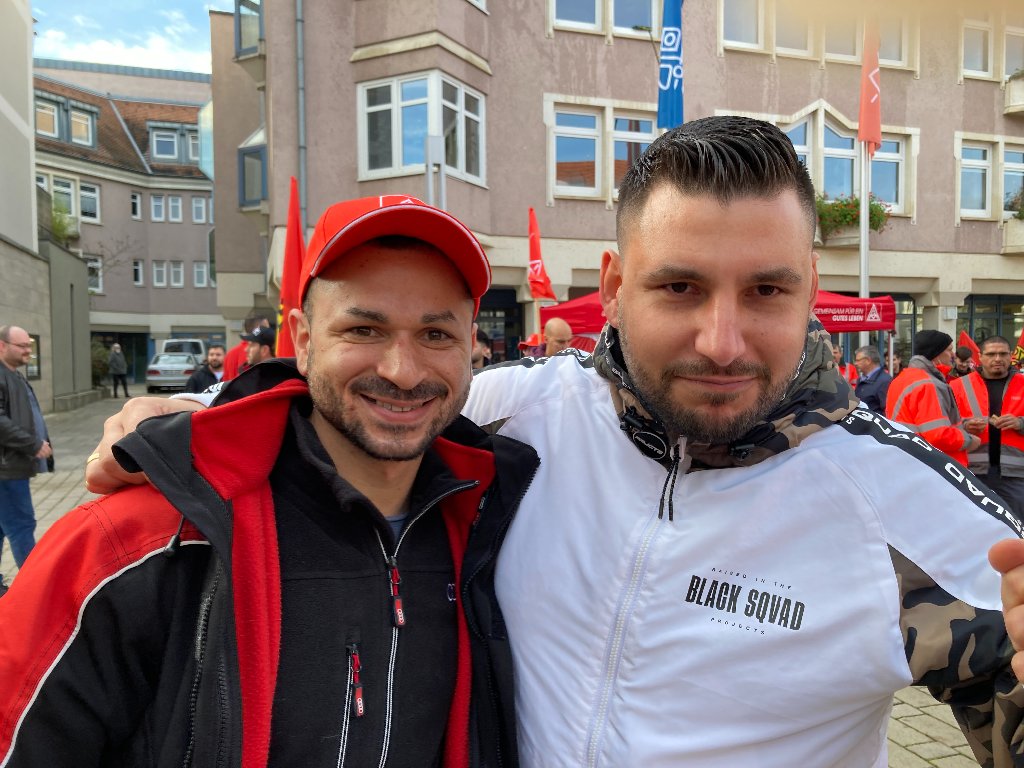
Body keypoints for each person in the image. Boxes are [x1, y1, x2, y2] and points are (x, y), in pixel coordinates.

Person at [83, 118, 1024, 766]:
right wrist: (185, 416)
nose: (722, 340)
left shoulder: (908, 511)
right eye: (680, 287)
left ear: (811, 284)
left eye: (767, 291)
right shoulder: (513, 416)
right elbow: (357, 400)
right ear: (611, 286)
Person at [0, 196, 537, 767]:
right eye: (363, 329)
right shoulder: (140, 539)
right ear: (302, 340)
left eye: (435, 334)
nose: (402, 371)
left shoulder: (488, 523)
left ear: (470, 344)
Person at [0, 325, 52, 594]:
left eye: (29, 345)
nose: (28, 351)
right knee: (22, 525)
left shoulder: (14, 375)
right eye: (22, 346)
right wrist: (32, 444)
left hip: (12, 466)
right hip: (6, 469)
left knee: (4, 526)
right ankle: (36, 591)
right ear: (2, 346)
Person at [950, 335, 1024, 517]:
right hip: (970, 471)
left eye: (1003, 354)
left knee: (1016, 527)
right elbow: (945, 423)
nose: (997, 359)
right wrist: (965, 425)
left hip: (1016, 474)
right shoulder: (957, 386)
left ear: (1011, 356)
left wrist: (1020, 423)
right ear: (980, 357)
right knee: (972, 524)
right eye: (991, 354)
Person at [886, 329, 979, 466]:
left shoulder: (901, 379)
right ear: (936, 354)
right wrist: (969, 440)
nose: (953, 355)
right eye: (949, 350)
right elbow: (937, 435)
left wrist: (964, 424)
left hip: (909, 459)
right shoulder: (929, 383)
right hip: (934, 464)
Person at [223, 312, 273, 382]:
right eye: (266, 327)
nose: (269, 330)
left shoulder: (229, 354)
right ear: (258, 329)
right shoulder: (254, 354)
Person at [852, 345, 892, 413]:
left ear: (868, 360)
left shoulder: (884, 381)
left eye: (858, 360)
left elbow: (887, 410)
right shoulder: (862, 380)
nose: (855, 363)